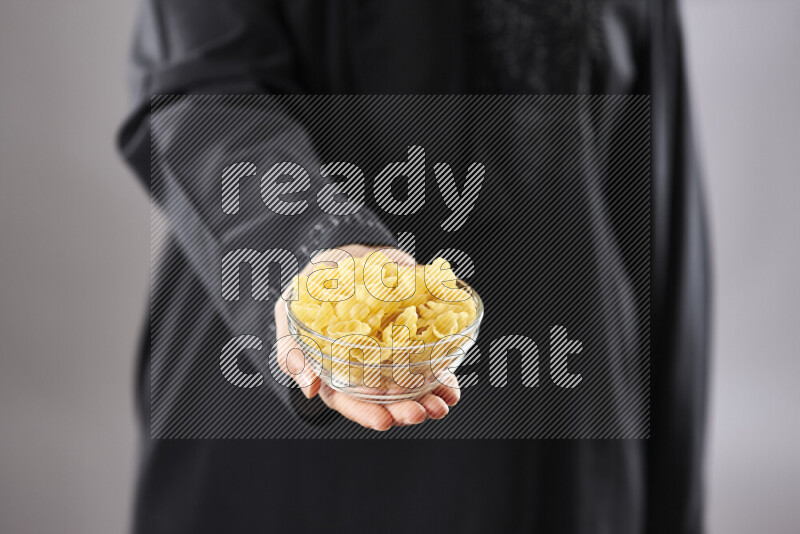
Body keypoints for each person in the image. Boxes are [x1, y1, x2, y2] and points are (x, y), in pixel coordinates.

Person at [118, 1, 710, 532]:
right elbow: (203, 90)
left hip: (561, 449)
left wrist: (671, 501)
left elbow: (652, 211)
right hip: (284, 457)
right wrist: (324, 263)